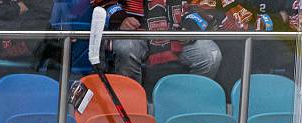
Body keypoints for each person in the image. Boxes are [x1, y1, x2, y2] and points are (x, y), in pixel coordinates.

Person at [91, 0, 222, 84]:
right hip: (136, 30)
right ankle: (132, 102)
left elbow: (206, 3)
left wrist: (189, 27)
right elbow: (102, 2)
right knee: (125, 49)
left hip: (177, 30)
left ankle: (187, 103)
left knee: (210, 55)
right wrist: (121, 19)